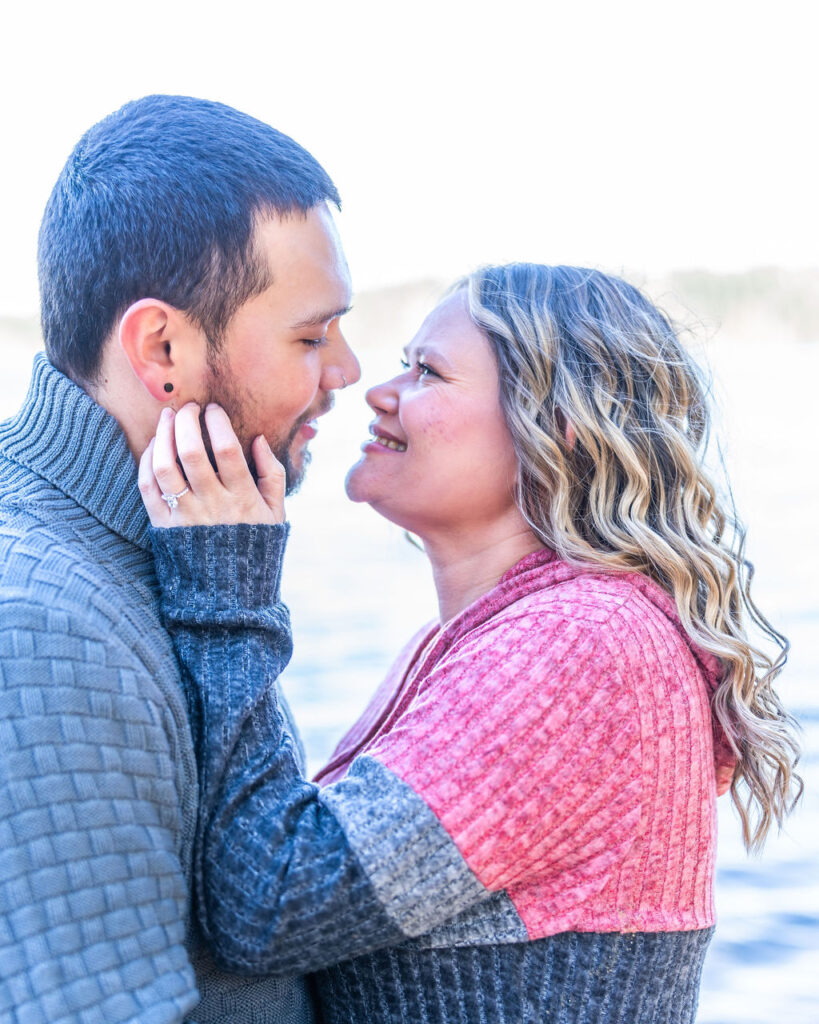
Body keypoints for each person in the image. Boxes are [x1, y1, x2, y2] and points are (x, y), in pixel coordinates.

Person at [140, 263, 802, 1024]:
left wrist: (227, 586)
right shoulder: (484, 638)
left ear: (559, 429)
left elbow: (269, 905)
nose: (379, 392)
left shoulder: (582, 646)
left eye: (428, 371)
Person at [0, 94, 359, 1023]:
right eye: (311, 336)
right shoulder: (44, 633)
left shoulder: (156, 550)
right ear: (162, 348)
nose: (347, 372)